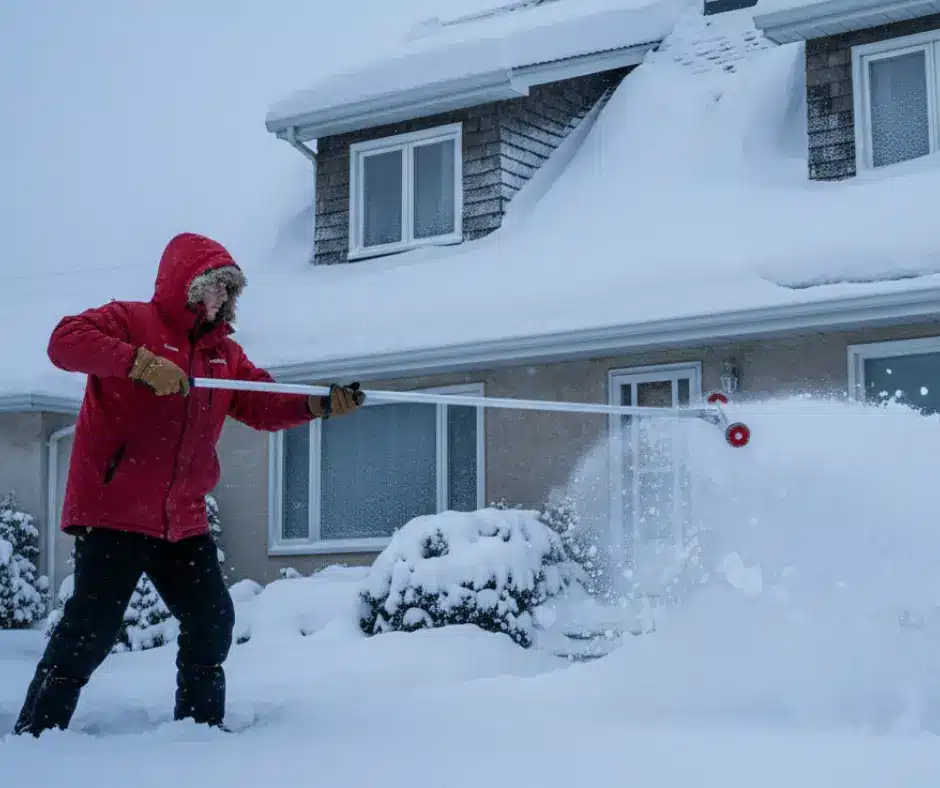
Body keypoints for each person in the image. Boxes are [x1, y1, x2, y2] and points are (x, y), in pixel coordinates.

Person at [13, 232, 363, 737]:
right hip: (115, 511)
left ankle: (198, 731)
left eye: (228, 290)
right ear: (185, 283)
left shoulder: (225, 356)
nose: (219, 299)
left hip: (183, 518)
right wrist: (139, 363)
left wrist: (319, 403)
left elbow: (260, 401)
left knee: (212, 620)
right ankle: (36, 734)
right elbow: (63, 342)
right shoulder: (130, 322)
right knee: (90, 631)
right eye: (212, 286)